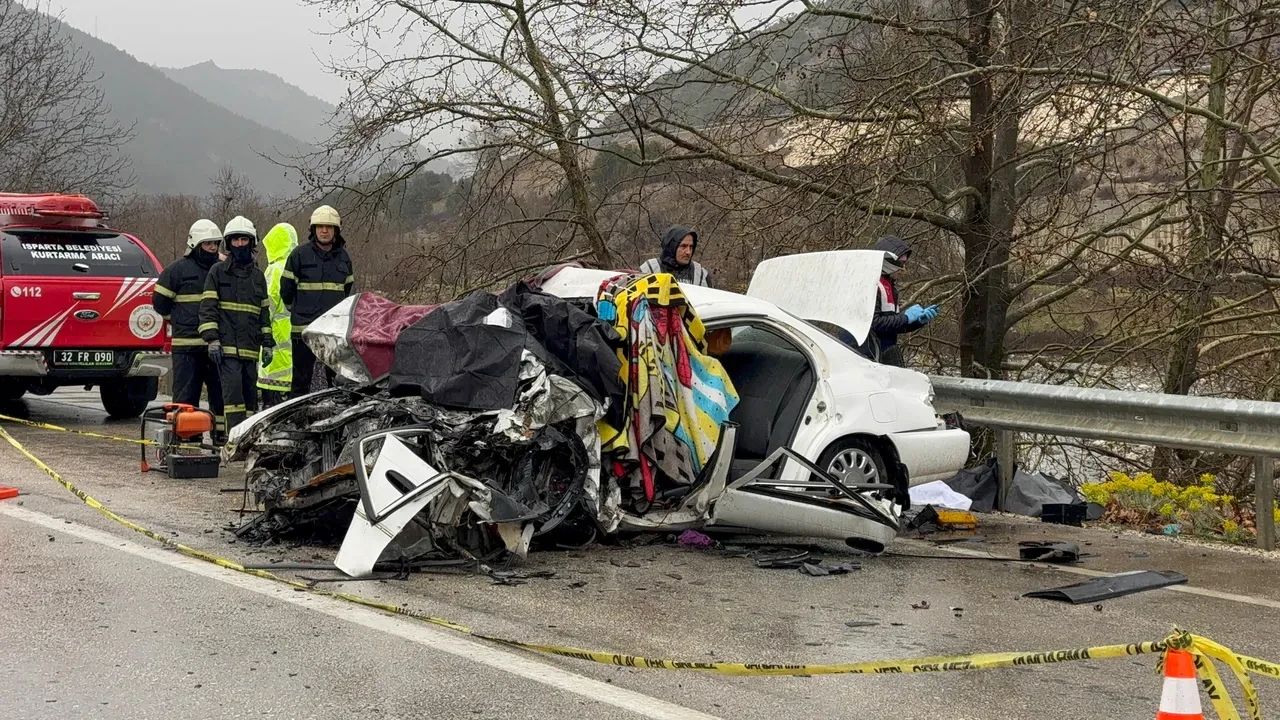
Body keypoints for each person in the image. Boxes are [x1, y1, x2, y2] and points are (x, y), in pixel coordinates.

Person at [153, 219, 226, 441]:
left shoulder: (224, 270)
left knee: (220, 397)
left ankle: (220, 439)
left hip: (215, 347)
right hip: (186, 348)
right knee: (185, 399)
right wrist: (180, 319)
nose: (213, 248)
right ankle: (187, 439)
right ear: (195, 244)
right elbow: (160, 304)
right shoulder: (176, 271)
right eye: (208, 244)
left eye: (215, 243)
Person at [199, 216, 273, 432]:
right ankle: (233, 439)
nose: (240, 244)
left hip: (250, 349)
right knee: (232, 397)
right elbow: (208, 308)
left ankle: (246, 440)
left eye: (244, 239)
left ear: (252, 243)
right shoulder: (218, 272)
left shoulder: (258, 277)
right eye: (235, 240)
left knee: (250, 399)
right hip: (227, 349)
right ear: (228, 243)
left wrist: (267, 343)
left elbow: (264, 314)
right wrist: (212, 339)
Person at [280, 205, 354, 398]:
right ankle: (298, 421)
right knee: (301, 382)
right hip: (303, 332)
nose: (324, 230)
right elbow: (286, 291)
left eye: (329, 227)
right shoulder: (299, 255)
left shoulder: (344, 259)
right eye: (320, 226)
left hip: (333, 333)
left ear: (336, 230)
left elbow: (347, 293)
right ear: (313, 229)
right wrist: (298, 311)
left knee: (337, 383)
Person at [858, 235, 939, 368]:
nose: (903, 269)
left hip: (882, 354)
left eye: (905, 263)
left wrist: (916, 321)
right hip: (866, 357)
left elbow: (891, 326)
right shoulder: (870, 284)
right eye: (901, 263)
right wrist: (906, 317)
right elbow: (873, 324)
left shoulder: (889, 287)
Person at [256, 223, 298, 408]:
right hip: (293, 335)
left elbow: (269, 303)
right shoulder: (296, 266)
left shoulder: (275, 270)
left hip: (276, 336)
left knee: (272, 405)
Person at [639, 225, 712, 287]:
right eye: (683, 246)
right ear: (671, 246)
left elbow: (711, 302)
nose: (688, 252)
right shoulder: (649, 269)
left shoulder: (700, 274)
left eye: (691, 247)